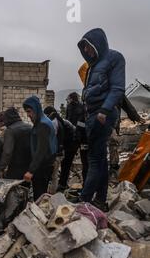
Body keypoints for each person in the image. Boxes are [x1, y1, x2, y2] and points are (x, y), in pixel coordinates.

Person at [77, 28, 126, 211]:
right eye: (84, 48)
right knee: (101, 160)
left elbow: (118, 88)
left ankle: (84, 200)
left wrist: (104, 110)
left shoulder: (114, 58)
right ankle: (100, 199)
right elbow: (88, 94)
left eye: (89, 47)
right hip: (92, 115)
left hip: (102, 114)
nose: (87, 51)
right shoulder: (92, 67)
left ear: (98, 43)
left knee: (95, 160)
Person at [23, 96, 57, 201]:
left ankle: (40, 215)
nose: (28, 115)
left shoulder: (43, 124)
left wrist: (31, 170)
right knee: (40, 195)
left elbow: (41, 150)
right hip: (44, 165)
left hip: (42, 167)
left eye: (29, 111)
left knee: (39, 196)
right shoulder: (42, 122)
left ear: (36, 109)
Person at [44, 106, 76, 194]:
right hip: (63, 150)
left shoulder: (53, 122)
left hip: (56, 153)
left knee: (52, 175)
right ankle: (57, 188)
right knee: (56, 173)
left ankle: (50, 194)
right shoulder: (60, 120)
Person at [60, 92, 88, 190]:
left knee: (66, 162)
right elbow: (82, 123)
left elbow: (70, 121)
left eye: (68, 99)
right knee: (85, 163)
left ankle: (62, 183)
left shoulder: (72, 107)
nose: (67, 101)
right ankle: (86, 186)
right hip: (82, 138)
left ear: (71, 99)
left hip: (73, 138)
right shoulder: (82, 107)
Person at [0, 107, 32, 180]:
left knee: (14, 189)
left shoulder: (10, 130)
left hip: (15, 167)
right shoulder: (29, 127)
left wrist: (1, 167)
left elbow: (7, 152)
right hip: (29, 167)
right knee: (25, 189)